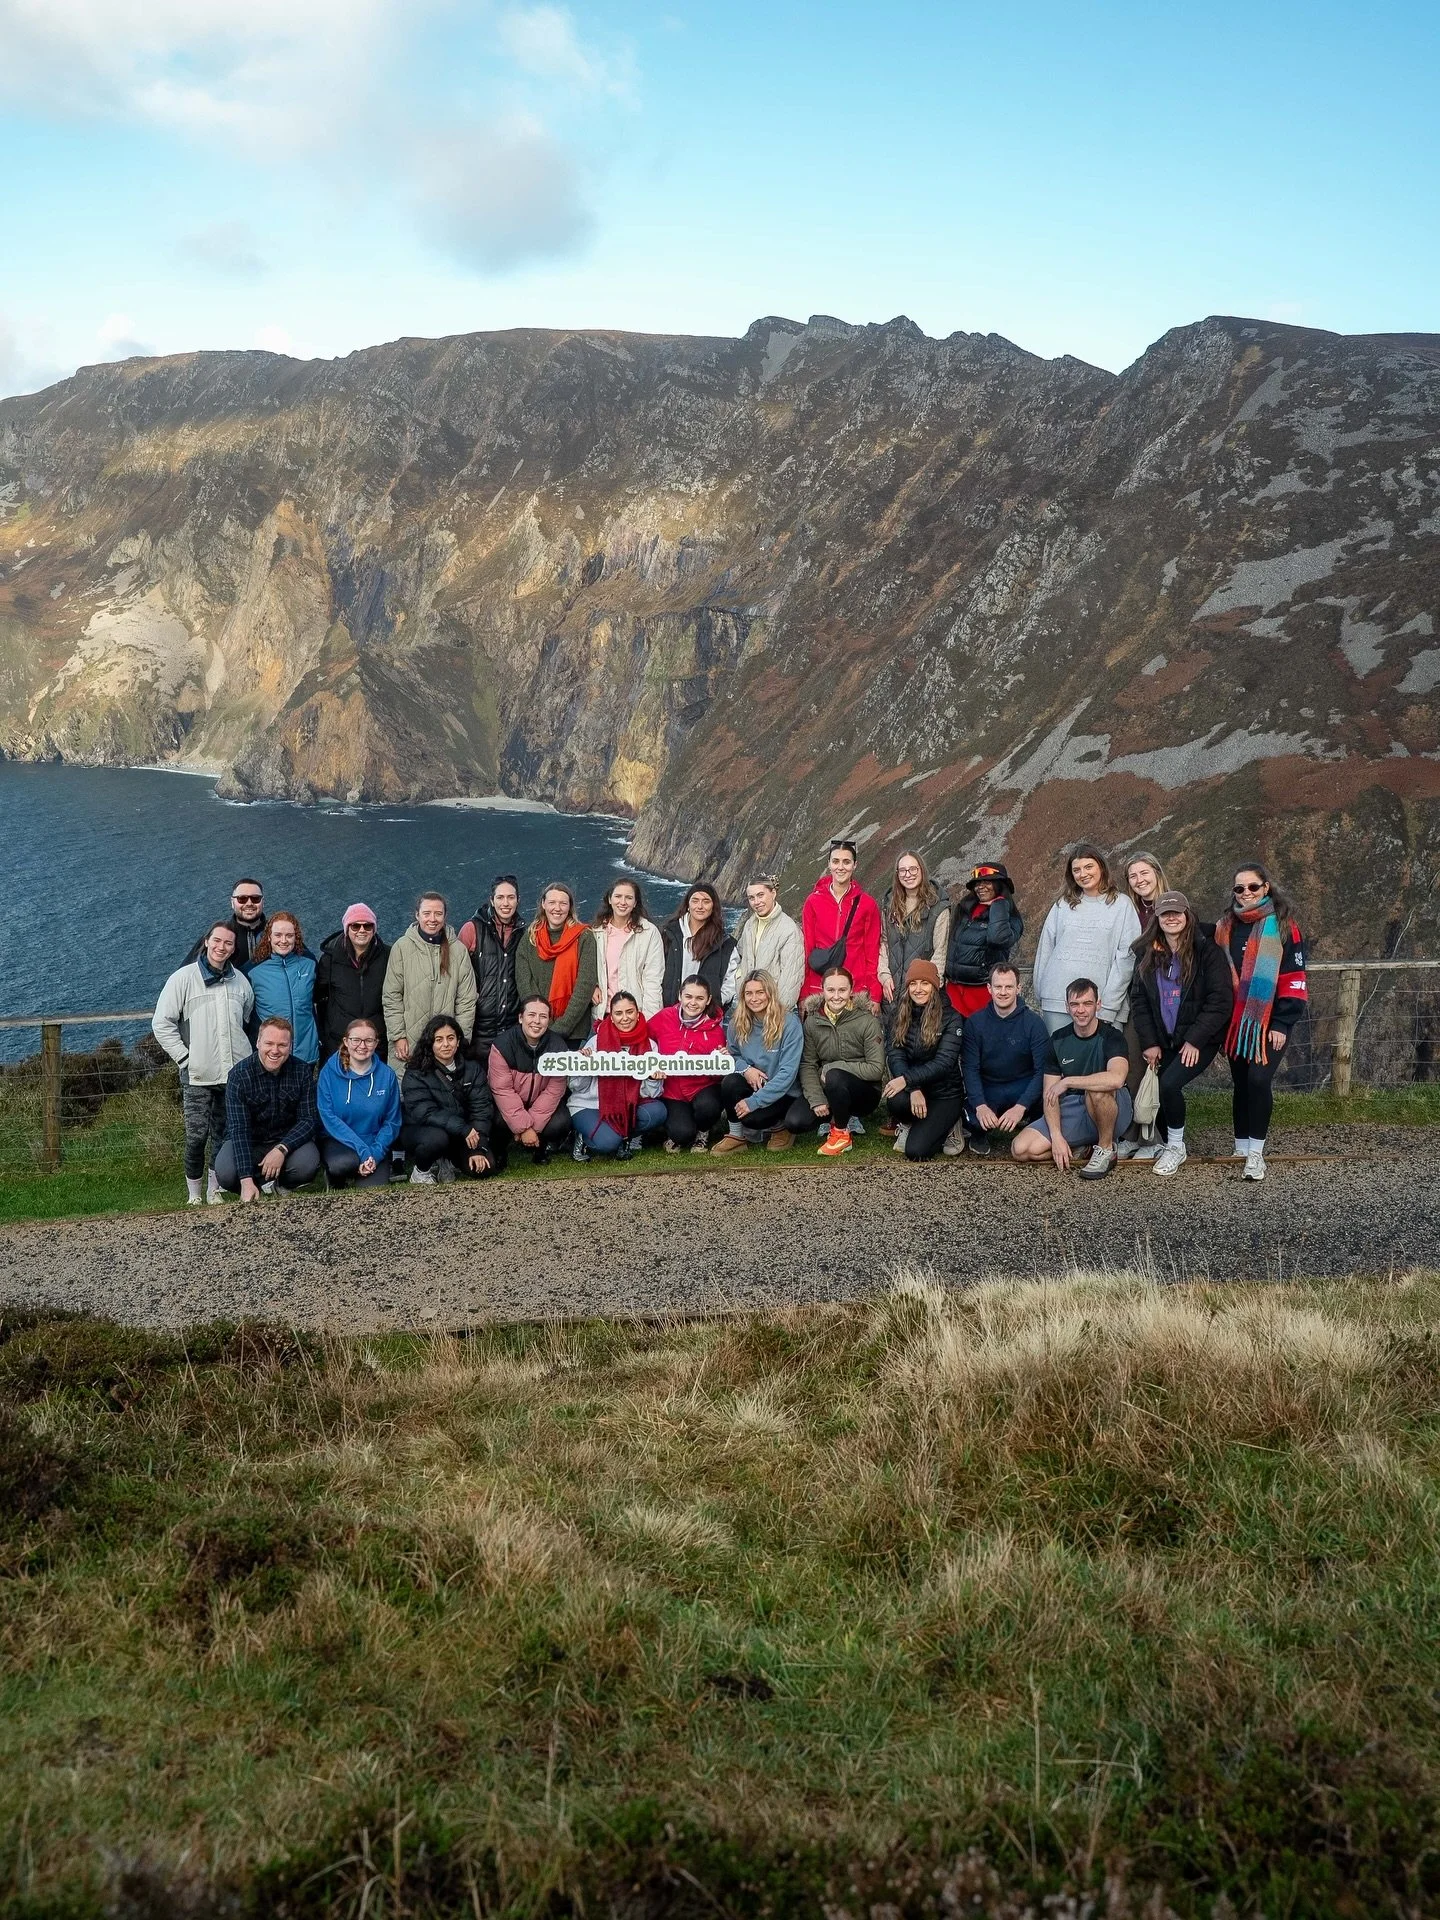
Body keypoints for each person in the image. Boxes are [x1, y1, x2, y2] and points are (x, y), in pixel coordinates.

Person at [1214, 862, 1308, 1182]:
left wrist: (1282, 1022)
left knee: (1257, 1080)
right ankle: (1241, 1146)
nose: (1246, 893)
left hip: (1268, 1021)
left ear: (1266, 887)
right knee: (1241, 1082)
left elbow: (1293, 976)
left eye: (1253, 887)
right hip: (1236, 1022)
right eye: (1239, 888)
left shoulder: (1282, 925)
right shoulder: (1225, 927)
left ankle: (1256, 1153)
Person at [1130, 892, 1234, 1178]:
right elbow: (1139, 999)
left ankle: (1176, 1146)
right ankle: (1166, 1143)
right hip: (1164, 1037)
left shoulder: (1207, 951)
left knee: (1169, 1084)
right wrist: (1150, 1042)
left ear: (1188, 915)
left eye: (1177, 912)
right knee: (1162, 1087)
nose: (1171, 918)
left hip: (1200, 1039)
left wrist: (1195, 1040)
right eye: (1165, 913)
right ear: (1157, 918)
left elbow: (1220, 1000)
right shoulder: (1147, 953)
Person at [153, 921, 255, 1205]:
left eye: (228, 943)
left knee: (223, 1135)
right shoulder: (183, 978)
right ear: (206, 942)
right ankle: (194, 1194)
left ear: (233, 949)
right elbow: (162, 1023)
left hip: (233, 1074)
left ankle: (214, 1189)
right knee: (196, 1137)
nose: (222, 947)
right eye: (217, 941)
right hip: (197, 1073)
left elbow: (246, 1019)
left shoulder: (240, 982)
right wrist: (184, 1057)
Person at [1012, 978, 1131, 1179]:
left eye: (1087, 1003)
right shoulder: (1058, 1040)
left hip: (1112, 1107)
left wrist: (1067, 1081)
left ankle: (1106, 1149)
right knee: (1021, 1149)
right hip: (1074, 1106)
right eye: (1075, 1004)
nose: (1081, 1010)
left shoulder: (1112, 1036)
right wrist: (1056, 1136)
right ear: (1067, 1007)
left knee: (1096, 1089)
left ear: (1098, 1005)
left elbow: (1117, 1079)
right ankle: (1081, 1148)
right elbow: (1050, 1094)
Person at [1032, 845, 1142, 1034]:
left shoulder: (1121, 904)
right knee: (1059, 1053)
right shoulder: (1063, 904)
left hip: (1101, 1006)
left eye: (1088, 867)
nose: (1083, 874)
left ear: (1101, 867)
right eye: (1077, 870)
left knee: (1103, 1054)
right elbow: (1046, 949)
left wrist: (1109, 1004)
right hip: (1057, 1001)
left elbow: (1127, 957)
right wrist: (1041, 992)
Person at [782, 966, 886, 1157]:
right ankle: (833, 1116)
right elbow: (808, 1064)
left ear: (851, 990)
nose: (836, 996)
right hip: (827, 1087)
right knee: (795, 1122)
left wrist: (832, 1067)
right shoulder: (813, 1021)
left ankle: (841, 1134)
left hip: (863, 1091)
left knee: (835, 1075)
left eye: (842, 990)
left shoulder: (867, 1021)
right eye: (830, 990)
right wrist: (816, 1099)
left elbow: (876, 1068)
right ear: (822, 990)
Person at [214, 1015, 321, 1201]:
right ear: (258, 1043)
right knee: (226, 1173)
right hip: (251, 1141)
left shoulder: (302, 1071)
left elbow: (308, 1120)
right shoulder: (239, 1076)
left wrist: (282, 1149)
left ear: (290, 1046)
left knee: (307, 1164)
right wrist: (245, 1180)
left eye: (282, 1045)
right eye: (269, 1043)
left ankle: (280, 1184)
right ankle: (253, 1186)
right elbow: (239, 1129)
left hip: (286, 1140)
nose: (275, 1050)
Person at [960, 963, 1052, 1156]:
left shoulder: (1034, 1023)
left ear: (1018, 988)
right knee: (973, 1117)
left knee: (1049, 1102)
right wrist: (980, 1106)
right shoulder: (975, 1023)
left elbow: (1041, 1071)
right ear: (989, 988)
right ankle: (979, 1134)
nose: (1003, 992)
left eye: (1009, 987)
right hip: (990, 1088)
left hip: (1023, 1086)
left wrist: (1021, 1107)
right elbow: (970, 1068)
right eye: (998, 987)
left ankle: (1030, 1126)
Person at [712, 969, 805, 1154]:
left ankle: (780, 1127)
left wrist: (753, 1102)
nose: (754, 998)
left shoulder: (789, 1023)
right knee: (730, 1082)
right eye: (749, 993)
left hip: (784, 1091)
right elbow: (733, 1055)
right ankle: (736, 1136)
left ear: (770, 993)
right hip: (755, 1083)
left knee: (753, 1119)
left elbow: (787, 1073)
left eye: (760, 992)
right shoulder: (737, 1023)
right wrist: (746, 1069)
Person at [382, 892, 478, 1073]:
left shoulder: (458, 951)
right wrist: (398, 1036)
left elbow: (467, 1000)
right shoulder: (401, 948)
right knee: (407, 1087)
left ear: (445, 916)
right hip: (408, 1044)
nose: (432, 919)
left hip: (446, 1047)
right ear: (417, 915)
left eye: (438, 914)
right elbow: (391, 996)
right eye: (426, 913)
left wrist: (460, 1039)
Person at [881, 960, 966, 1160]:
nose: (918, 989)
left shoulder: (951, 1017)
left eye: (925, 983)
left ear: (935, 986)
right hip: (916, 1089)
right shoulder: (898, 1013)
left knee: (916, 1151)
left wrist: (907, 1080)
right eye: (913, 983)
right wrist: (913, 1088)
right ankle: (911, 1123)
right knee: (895, 1099)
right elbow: (895, 1054)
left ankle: (951, 1125)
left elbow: (944, 1063)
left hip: (945, 1094)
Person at [568, 992, 666, 1160]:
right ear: (611, 1017)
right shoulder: (596, 1042)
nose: (625, 1018)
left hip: (627, 1105)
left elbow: (652, 1094)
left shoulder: (650, 1045)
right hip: (590, 1104)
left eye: (630, 1012)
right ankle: (583, 1137)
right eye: (619, 1013)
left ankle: (624, 1136)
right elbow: (576, 1087)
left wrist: (651, 1079)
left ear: (638, 1013)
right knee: (608, 1143)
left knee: (657, 1112)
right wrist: (582, 1067)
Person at [400, 1014, 497, 1183]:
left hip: (461, 1133)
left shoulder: (472, 1069)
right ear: (430, 1043)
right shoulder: (415, 1073)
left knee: (484, 1168)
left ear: (458, 1041)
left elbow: (481, 1108)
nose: (446, 1044)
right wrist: (463, 1128)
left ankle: (448, 1161)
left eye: (450, 1038)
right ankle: (421, 1172)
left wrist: (478, 1147)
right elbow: (425, 1113)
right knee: (437, 1139)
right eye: (439, 1039)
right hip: (422, 1131)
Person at [316, 1017, 402, 1188]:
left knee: (374, 1191)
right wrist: (363, 1151)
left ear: (376, 1043)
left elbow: (392, 1121)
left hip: (373, 1142)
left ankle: (364, 1168)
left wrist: (375, 1154)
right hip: (339, 1140)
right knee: (341, 1164)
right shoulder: (328, 1073)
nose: (362, 1046)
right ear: (346, 1041)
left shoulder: (387, 1075)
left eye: (369, 1040)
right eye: (356, 1040)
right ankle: (337, 1178)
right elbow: (328, 1116)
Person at [487, 996, 573, 1165]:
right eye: (531, 1015)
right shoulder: (502, 1045)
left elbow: (554, 1090)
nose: (537, 1021)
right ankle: (499, 1150)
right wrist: (524, 1127)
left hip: (539, 1103)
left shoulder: (558, 1046)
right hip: (511, 1101)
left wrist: (532, 1128)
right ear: (521, 1018)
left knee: (561, 1121)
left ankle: (540, 1148)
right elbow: (502, 1090)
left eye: (543, 1016)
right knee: (496, 1118)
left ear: (549, 1020)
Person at [648, 977, 729, 1152]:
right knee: (682, 1134)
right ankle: (678, 1133)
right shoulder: (664, 1017)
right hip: (672, 1091)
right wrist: (651, 1065)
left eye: (699, 998)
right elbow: (643, 1038)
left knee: (708, 1107)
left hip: (702, 1088)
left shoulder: (715, 1030)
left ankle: (703, 1132)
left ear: (708, 1000)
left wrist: (723, 1061)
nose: (693, 1003)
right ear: (680, 996)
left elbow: (719, 1075)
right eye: (688, 996)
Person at [514, 883, 599, 1044]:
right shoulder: (530, 938)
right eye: (552, 902)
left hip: (572, 1031)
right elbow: (524, 982)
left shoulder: (584, 937)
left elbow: (585, 985)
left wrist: (560, 1028)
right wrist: (540, 1020)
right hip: (536, 1028)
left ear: (570, 907)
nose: (557, 908)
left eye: (563, 903)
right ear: (543, 904)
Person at [800, 840, 882, 1003]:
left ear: (855, 865)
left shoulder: (867, 904)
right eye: (836, 861)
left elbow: (872, 952)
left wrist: (874, 994)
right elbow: (807, 948)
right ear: (829, 864)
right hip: (821, 988)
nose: (840, 867)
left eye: (846, 862)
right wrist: (805, 993)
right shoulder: (813, 902)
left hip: (856, 988)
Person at [943, 863, 1025, 1018]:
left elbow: (998, 939)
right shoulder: (965, 910)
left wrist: (999, 904)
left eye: (987, 882)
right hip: (954, 993)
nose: (980, 887)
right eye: (977, 883)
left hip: (981, 994)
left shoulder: (1011, 919)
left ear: (1000, 885)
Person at [458, 875, 524, 1064]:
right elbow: (455, 975)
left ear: (518, 900)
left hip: (511, 1027)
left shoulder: (524, 932)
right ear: (492, 901)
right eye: (500, 897)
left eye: (511, 897)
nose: (506, 903)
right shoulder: (472, 929)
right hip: (477, 1029)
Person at [314, 904, 391, 1063]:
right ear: (347, 929)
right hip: (339, 1040)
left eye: (367, 926)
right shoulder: (330, 959)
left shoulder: (389, 956)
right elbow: (319, 996)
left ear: (374, 929)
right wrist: (327, 1033)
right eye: (355, 926)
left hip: (376, 1040)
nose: (362, 930)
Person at [876, 852, 950, 1010]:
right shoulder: (889, 905)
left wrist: (929, 986)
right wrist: (884, 975)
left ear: (922, 870)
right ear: (897, 874)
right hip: (891, 993)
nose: (908, 874)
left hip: (921, 995)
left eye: (913, 869)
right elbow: (884, 942)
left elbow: (940, 951)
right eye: (902, 870)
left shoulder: (938, 908)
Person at [723, 874, 805, 1011]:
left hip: (773, 1011)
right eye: (751, 898)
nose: (756, 902)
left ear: (773, 893)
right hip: (749, 1006)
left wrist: (776, 1012)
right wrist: (739, 981)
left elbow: (791, 980)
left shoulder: (789, 930)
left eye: (760, 895)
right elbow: (740, 957)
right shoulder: (750, 925)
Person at [247, 911, 319, 1064]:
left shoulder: (309, 963)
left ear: (296, 937)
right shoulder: (252, 970)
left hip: (306, 1053)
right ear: (269, 937)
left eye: (289, 935)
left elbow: (318, 999)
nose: (283, 940)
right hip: (272, 1055)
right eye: (278, 935)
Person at [593, 879, 665, 1018]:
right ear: (610, 899)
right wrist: (593, 987)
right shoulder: (597, 932)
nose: (623, 902)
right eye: (618, 896)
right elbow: (589, 969)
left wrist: (650, 1018)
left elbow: (653, 979)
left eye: (629, 898)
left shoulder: (649, 933)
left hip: (637, 1013)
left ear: (635, 903)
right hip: (605, 1012)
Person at [660, 883, 736, 1009]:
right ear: (688, 905)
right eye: (695, 901)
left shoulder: (725, 943)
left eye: (706, 901)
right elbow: (655, 971)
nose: (700, 906)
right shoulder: (669, 934)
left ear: (713, 906)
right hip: (670, 1011)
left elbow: (731, 981)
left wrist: (716, 1002)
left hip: (707, 1014)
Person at [184, 878, 268, 972]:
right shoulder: (218, 935)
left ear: (263, 902)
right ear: (232, 902)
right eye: (242, 899)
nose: (249, 903)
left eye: (256, 898)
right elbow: (186, 972)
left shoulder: (275, 933)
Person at [1124, 851, 1169, 924]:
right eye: (1133, 876)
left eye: (1144, 873)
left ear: (1157, 873)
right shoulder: (1127, 910)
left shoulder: (1173, 904)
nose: (1139, 880)